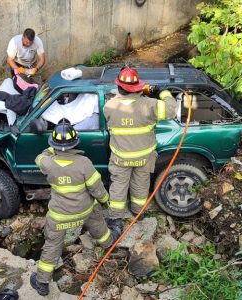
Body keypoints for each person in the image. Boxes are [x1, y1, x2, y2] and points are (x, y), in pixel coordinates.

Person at [30, 119, 120, 296]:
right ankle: (110, 245)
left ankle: (41, 282)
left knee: (52, 246)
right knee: (98, 223)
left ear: (54, 144)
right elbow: (97, 187)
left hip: (60, 217)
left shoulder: (47, 163)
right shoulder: (84, 162)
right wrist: (104, 201)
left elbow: (39, 157)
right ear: (75, 142)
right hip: (84, 212)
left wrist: (51, 149)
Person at [104, 66, 178, 227]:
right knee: (141, 183)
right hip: (144, 157)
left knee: (118, 185)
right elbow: (172, 110)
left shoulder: (109, 106)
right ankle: (138, 211)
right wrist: (163, 92)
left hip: (121, 157)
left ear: (119, 87)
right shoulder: (151, 105)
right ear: (137, 87)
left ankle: (115, 217)